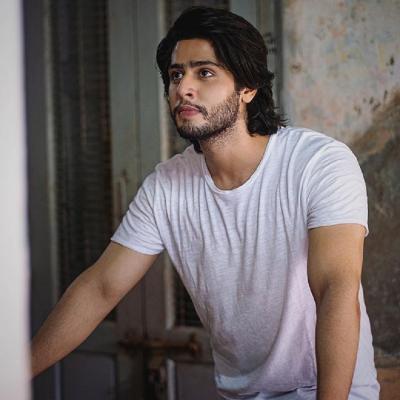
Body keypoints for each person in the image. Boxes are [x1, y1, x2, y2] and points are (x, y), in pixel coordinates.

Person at [31, 6, 380, 400]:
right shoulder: (166, 185)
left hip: (328, 390)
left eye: (205, 72)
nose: (183, 88)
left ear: (248, 88)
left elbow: (335, 288)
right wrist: (13, 373)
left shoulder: (318, 162)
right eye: (175, 75)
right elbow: (100, 289)